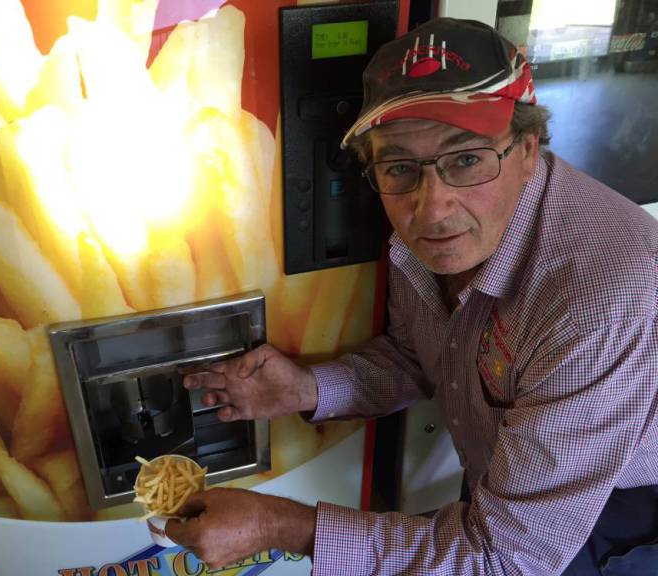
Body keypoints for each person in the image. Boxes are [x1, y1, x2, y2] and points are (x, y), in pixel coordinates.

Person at [167, 17, 658, 575]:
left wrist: (275, 525)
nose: (431, 209)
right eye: (400, 166)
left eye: (466, 159)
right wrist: (307, 388)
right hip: (504, 498)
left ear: (526, 149)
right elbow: (421, 356)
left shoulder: (598, 291)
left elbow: (505, 559)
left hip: (618, 512)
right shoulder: (433, 237)